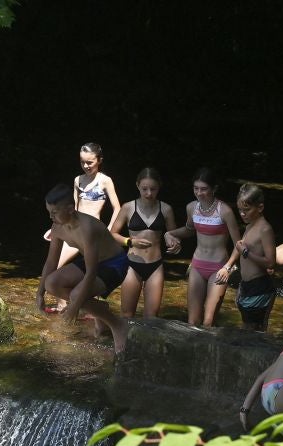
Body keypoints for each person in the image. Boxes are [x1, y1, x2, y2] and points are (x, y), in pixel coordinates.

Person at [37, 183, 142, 353]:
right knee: (52, 283)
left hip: (114, 263)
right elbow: (51, 262)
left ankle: (117, 325)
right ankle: (100, 310)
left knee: (77, 295)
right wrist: (40, 293)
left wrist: (74, 308)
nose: (50, 216)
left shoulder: (87, 228)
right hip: (92, 262)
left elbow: (91, 272)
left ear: (71, 209)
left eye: (54, 212)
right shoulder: (57, 227)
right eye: (49, 211)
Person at [165, 168, 243, 327]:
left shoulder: (225, 211)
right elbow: (189, 229)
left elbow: (239, 244)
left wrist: (228, 267)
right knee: (192, 321)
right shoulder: (192, 207)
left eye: (204, 189)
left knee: (208, 321)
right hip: (197, 265)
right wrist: (169, 234)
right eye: (196, 188)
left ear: (214, 189)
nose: (199, 193)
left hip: (219, 267)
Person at [42, 142, 122, 292]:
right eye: (82, 162)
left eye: (89, 162)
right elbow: (71, 208)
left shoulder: (105, 180)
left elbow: (117, 208)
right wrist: (56, 228)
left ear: (99, 160)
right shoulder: (78, 180)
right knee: (56, 265)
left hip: (92, 232)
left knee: (94, 268)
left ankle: (88, 307)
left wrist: (111, 229)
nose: (86, 166)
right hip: (74, 228)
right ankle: (63, 304)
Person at [110, 168, 178, 319]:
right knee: (127, 315)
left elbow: (174, 236)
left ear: (159, 187)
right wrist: (130, 241)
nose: (149, 193)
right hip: (132, 264)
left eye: (153, 189)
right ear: (137, 186)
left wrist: (174, 244)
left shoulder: (166, 209)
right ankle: (124, 343)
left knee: (151, 317)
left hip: (155, 265)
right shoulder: (128, 207)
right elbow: (112, 234)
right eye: (144, 189)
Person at [233, 184, 278, 331]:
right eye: (240, 210)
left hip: (259, 286)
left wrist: (246, 253)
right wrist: (241, 286)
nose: (242, 214)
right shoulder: (249, 226)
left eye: (246, 210)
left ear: (260, 207)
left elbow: (270, 262)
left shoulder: (265, 229)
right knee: (248, 329)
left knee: (252, 330)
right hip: (247, 286)